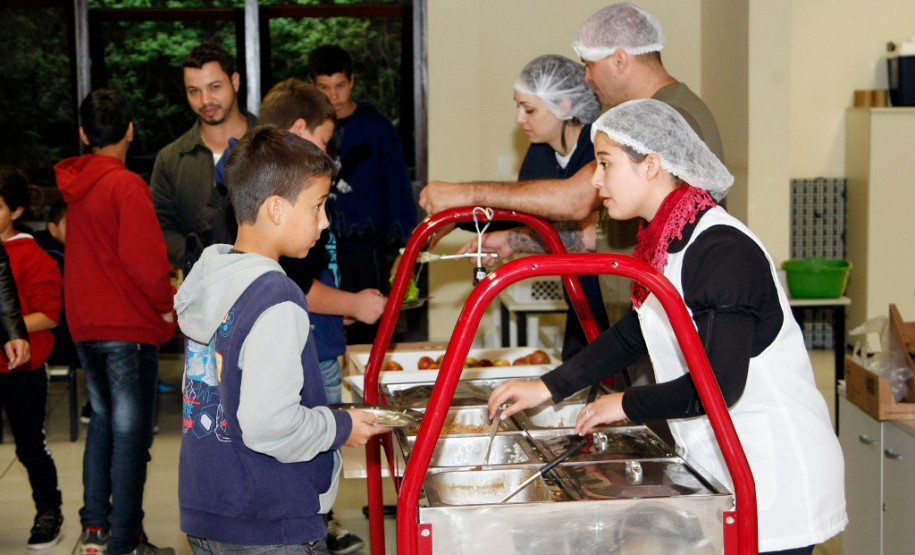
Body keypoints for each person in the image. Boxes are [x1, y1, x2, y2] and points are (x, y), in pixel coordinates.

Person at [488, 99, 847, 554]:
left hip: (775, 475)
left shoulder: (720, 250)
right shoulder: (668, 241)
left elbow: (717, 387)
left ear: (652, 165)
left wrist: (627, 403)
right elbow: (635, 333)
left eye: (605, 164)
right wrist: (548, 387)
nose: (596, 180)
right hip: (727, 467)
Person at [176, 125, 389, 554]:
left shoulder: (213, 276)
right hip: (269, 520)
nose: (325, 221)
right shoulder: (275, 296)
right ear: (276, 208)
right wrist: (340, 426)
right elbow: (270, 425)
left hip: (211, 509)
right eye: (317, 206)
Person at [56, 89, 177, 555]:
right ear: (130, 130)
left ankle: (96, 530)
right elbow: (146, 265)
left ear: (85, 134)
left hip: (86, 326)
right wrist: (167, 306)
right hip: (126, 328)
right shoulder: (127, 186)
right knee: (131, 440)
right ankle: (125, 543)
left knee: (103, 427)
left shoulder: (77, 188)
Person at [456, 54, 609, 360]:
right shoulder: (540, 154)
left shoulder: (599, 148)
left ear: (564, 106)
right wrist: (460, 218)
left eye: (529, 109)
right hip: (580, 306)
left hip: (613, 304)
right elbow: (521, 211)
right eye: (518, 107)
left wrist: (509, 238)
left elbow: (589, 233)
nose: (519, 119)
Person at [309, 44, 417, 344]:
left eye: (340, 86)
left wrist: (408, 247)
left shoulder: (377, 126)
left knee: (370, 330)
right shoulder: (305, 128)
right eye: (325, 87)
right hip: (317, 246)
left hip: (366, 250)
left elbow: (398, 188)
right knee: (320, 326)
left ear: (352, 81)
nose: (334, 96)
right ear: (312, 86)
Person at [150, 41, 258, 273]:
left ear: (235, 82)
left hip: (269, 283)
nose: (205, 100)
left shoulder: (271, 145)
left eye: (215, 87)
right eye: (194, 91)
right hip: (201, 293)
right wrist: (198, 259)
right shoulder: (170, 159)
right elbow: (162, 229)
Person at [0, 167, 64, 550]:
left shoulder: (30, 254)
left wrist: (7, 327)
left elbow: (50, 315)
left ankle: (49, 512)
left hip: (22, 370)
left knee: (29, 446)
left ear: (18, 211)